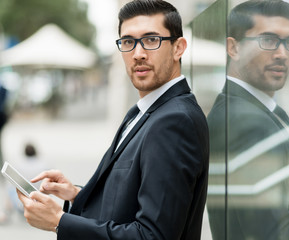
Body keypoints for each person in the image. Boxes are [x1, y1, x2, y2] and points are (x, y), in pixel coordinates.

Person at [17, 1, 210, 239]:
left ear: (178, 48)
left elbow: (153, 235)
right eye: (128, 42)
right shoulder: (143, 111)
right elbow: (133, 200)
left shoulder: (174, 121)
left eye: (151, 40)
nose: (138, 54)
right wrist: (78, 195)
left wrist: (59, 222)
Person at [207, 0, 289, 239]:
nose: (282, 54)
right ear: (233, 48)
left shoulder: (260, 109)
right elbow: (276, 234)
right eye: (268, 41)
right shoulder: (245, 122)